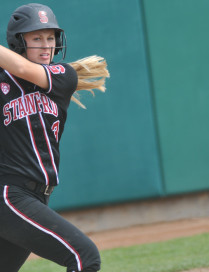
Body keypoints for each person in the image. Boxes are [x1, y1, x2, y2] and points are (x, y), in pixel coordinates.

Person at [0, 3, 109, 272]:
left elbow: (24, 71)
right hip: (10, 195)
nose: (46, 45)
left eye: (50, 37)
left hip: (37, 198)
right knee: (85, 258)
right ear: (18, 42)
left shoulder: (62, 76)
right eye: (36, 38)